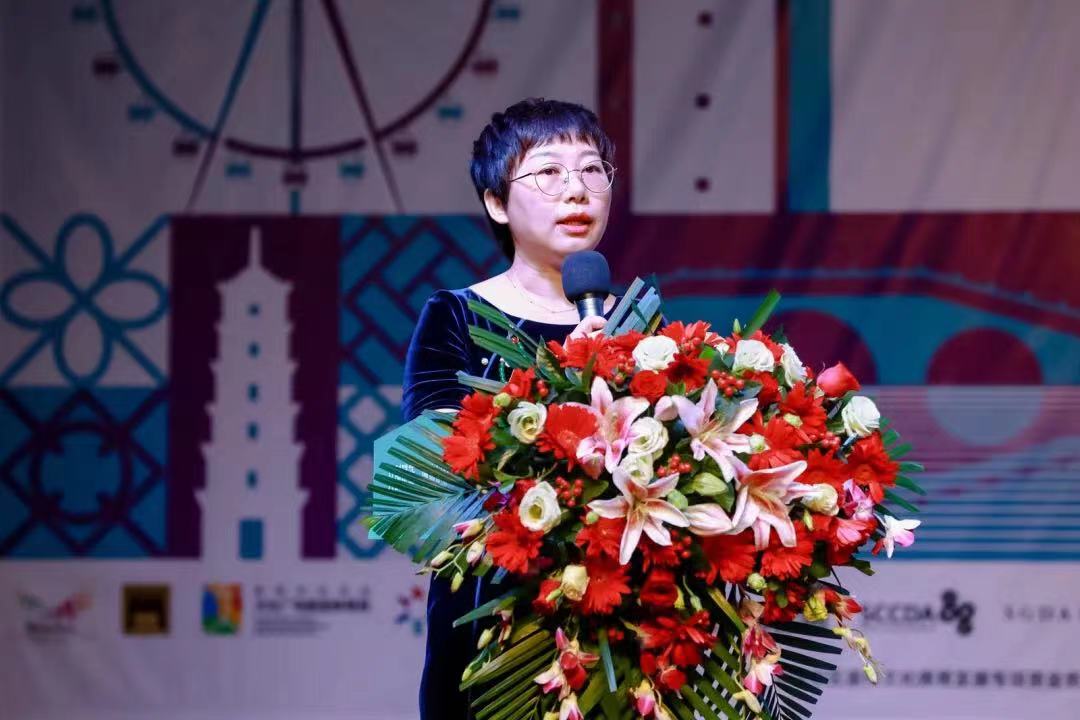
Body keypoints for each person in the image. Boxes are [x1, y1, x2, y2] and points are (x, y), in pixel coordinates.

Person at [402, 98, 621, 720]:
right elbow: (426, 492)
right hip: (494, 638)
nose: (576, 190)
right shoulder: (456, 316)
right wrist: (564, 385)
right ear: (497, 202)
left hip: (621, 638)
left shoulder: (638, 325)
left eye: (592, 169)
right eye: (548, 171)